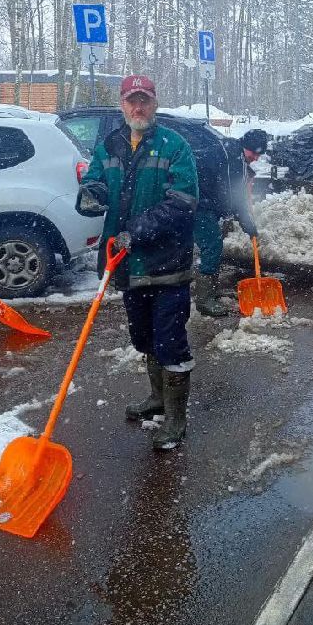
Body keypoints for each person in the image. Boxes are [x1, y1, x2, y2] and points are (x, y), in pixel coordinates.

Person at [77, 75, 198, 451]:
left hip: (167, 263)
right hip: (128, 265)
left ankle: (176, 418)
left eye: (144, 100)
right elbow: (95, 180)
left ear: (155, 103)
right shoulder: (110, 144)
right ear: (122, 104)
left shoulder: (174, 146)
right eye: (132, 101)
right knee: (143, 337)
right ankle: (157, 397)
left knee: (171, 341)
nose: (138, 108)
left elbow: (182, 200)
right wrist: (92, 196)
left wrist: (139, 230)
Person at [192, 128, 268, 317]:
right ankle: (204, 299)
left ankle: (211, 291)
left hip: (207, 206)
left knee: (214, 245)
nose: (256, 158)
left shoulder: (235, 157)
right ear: (246, 146)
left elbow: (236, 198)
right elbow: (235, 198)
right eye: (255, 153)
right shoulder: (226, 155)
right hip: (198, 206)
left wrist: (248, 225)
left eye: (259, 155)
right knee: (212, 246)